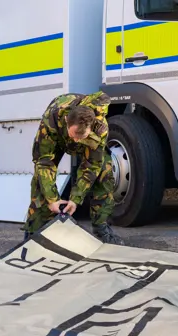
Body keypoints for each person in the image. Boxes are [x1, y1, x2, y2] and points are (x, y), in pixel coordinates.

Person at [23, 90, 123, 245]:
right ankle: (35, 230)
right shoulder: (52, 119)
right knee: (41, 179)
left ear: (91, 127)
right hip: (57, 136)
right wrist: (52, 200)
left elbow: (91, 166)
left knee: (104, 170)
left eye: (80, 137)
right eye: (74, 136)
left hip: (88, 141)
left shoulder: (100, 128)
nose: (76, 141)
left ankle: (101, 226)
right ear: (66, 120)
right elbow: (44, 163)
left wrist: (75, 199)